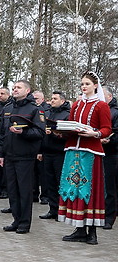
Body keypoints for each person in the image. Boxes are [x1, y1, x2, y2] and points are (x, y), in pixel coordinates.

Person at [58, 71, 111, 245]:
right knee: (74, 188)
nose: (84, 86)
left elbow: (106, 129)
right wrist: (61, 131)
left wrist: (94, 132)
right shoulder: (77, 104)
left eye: (87, 83)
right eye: (82, 84)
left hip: (91, 153)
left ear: (95, 85)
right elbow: (71, 125)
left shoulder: (101, 105)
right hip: (73, 151)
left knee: (90, 190)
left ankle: (92, 231)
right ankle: (79, 228)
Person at [0, 80, 45, 234]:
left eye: (18, 87)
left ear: (27, 90)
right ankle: (16, 220)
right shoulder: (8, 107)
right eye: (14, 87)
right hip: (9, 155)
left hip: (25, 156)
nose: (15, 89)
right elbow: (3, 134)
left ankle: (25, 223)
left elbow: (40, 132)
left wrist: (23, 133)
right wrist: (1, 154)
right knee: (12, 190)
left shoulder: (34, 109)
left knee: (24, 190)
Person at [38, 91, 70, 220]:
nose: (52, 101)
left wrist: (54, 133)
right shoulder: (48, 113)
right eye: (51, 98)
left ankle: (63, 210)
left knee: (60, 182)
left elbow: (68, 135)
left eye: (55, 98)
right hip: (47, 152)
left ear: (62, 101)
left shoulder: (67, 115)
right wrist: (40, 151)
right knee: (49, 182)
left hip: (60, 153)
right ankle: (53, 209)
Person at [101, 87, 118, 230]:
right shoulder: (101, 109)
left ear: (110, 96)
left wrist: (110, 141)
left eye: (103, 95)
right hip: (98, 152)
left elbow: (116, 132)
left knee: (109, 187)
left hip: (111, 153)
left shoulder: (115, 112)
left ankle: (109, 217)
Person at [32, 90, 50, 204]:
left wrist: (41, 151)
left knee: (43, 174)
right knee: (33, 174)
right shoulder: (32, 110)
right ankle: (34, 194)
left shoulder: (46, 112)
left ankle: (45, 196)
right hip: (32, 146)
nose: (35, 101)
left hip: (43, 146)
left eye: (37, 99)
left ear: (42, 99)